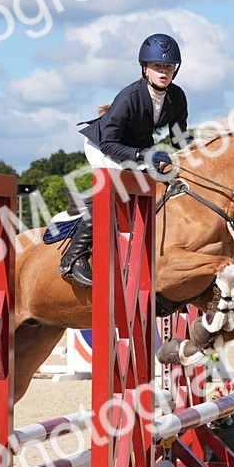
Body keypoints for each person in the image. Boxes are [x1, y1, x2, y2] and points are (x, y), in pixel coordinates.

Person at [60, 32, 188, 286]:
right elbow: (108, 142)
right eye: (157, 66)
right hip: (103, 145)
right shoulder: (129, 97)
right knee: (117, 187)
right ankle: (73, 259)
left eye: (168, 66)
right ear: (145, 68)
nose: (163, 71)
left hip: (136, 146)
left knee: (165, 182)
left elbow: (179, 138)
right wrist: (142, 155)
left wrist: (199, 156)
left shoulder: (177, 97)